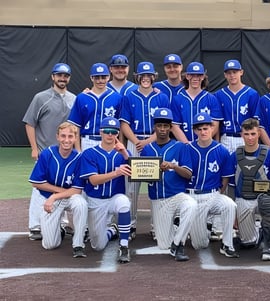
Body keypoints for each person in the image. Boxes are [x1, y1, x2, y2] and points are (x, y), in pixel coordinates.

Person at [22, 63, 76, 240]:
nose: (62, 78)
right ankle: (36, 226)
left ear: (69, 78)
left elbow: (76, 127)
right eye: (59, 75)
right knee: (40, 187)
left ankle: (61, 223)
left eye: (65, 76)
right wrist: (34, 148)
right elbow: (30, 123)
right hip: (46, 152)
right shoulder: (41, 97)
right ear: (53, 77)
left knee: (63, 186)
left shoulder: (73, 98)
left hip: (66, 153)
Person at [119, 61, 170, 238]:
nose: (146, 78)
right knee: (131, 186)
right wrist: (135, 141)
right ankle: (131, 225)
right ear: (137, 77)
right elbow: (124, 123)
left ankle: (157, 226)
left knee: (157, 184)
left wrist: (148, 140)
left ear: (154, 77)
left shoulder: (161, 97)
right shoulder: (129, 96)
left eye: (149, 76)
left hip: (155, 141)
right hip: (134, 142)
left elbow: (166, 124)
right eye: (143, 75)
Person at [140, 108, 197, 261]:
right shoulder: (147, 149)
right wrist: (152, 171)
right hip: (158, 199)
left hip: (177, 196)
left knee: (191, 204)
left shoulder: (180, 147)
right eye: (160, 125)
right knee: (163, 245)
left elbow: (188, 173)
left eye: (166, 126)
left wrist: (173, 166)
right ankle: (176, 231)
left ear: (171, 127)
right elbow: (142, 176)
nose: (163, 129)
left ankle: (178, 244)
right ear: (154, 127)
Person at [28, 122, 88, 257]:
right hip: (51, 199)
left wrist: (55, 196)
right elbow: (37, 183)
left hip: (66, 198)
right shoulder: (47, 154)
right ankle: (59, 229)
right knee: (50, 245)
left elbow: (77, 190)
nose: (66, 140)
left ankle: (78, 244)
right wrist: (57, 194)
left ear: (75, 138)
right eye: (63, 136)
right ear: (57, 137)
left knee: (81, 203)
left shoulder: (79, 158)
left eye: (70, 136)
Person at [78, 117, 132, 263]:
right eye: (107, 131)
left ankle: (124, 246)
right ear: (100, 132)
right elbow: (93, 180)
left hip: (114, 197)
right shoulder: (89, 153)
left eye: (113, 132)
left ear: (117, 134)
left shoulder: (122, 155)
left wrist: (125, 154)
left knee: (124, 202)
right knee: (97, 245)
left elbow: (137, 170)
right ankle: (112, 230)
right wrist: (116, 173)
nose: (110, 135)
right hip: (96, 200)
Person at [185, 112, 239, 258]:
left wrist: (219, 194)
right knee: (200, 244)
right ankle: (205, 227)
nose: (203, 131)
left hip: (213, 194)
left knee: (229, 205)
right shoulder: (187, 149)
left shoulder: (222, 150)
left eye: (206, 128)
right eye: (200, 129)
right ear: (195, 131)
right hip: (192, 195)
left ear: (212, 129)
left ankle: (227, 244)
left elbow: (225, 178)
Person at [229, 118, 270, 261]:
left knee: (267, 201)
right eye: (246, 134)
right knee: (248, 242)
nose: (250, 137)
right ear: (242, 135)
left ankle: (269, 245)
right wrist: (233, 214)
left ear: (259, 133)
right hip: (243, 198)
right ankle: (259, 234)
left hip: (263, 197)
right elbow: (231, 186)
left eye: (253, 133)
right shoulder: (234, 155)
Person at [68, 62, 123, 151]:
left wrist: (120, 145)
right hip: (88, 140)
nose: (100, 80)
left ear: (108, 77)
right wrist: (78, 150)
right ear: (91, 78)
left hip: (110, 139)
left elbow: (121, 126)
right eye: (97, 77)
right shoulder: (82, 97)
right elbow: (76, 126)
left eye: (103, 77)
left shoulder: (117, 98)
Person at [214, 59, 260, 153]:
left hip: (245, 138)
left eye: (235, 72)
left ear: (241, 72)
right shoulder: (219, 95)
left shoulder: (252, 94)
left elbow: (256, 122)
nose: (232, 75)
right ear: (225, 75)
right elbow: (217, 123)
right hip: (225, 137)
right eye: (229, 73)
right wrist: (217, 142)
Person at [170, 62, 223, 143]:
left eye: (199, 75)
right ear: (187, 76)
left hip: (206, 144)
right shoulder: (177, 99)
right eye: (192, 75)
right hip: (184, 145)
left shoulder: (212, 98)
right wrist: (187, 143)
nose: (195, 78)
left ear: (203, 77)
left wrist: (201, 142)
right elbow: (174, 126)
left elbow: (215, 125)